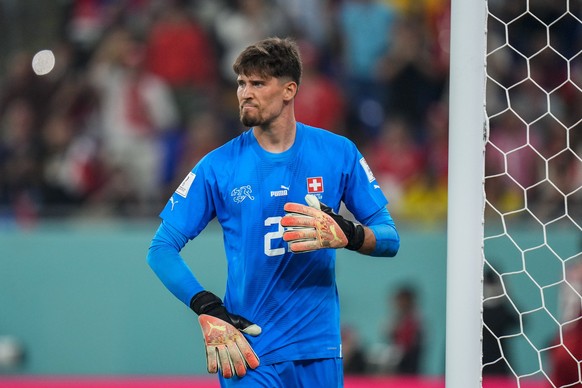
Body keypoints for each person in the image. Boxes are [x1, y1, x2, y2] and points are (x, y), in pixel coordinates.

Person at [147, 37, 400, 387]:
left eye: (258, 83)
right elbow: (160, 249)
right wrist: (207, 309)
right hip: (248, 351)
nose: (245, 93)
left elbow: (390, 237)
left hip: (318, 349)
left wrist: (350, 234)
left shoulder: (338, 153)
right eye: (241, 83)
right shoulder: (217, 167)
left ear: (288, 90)